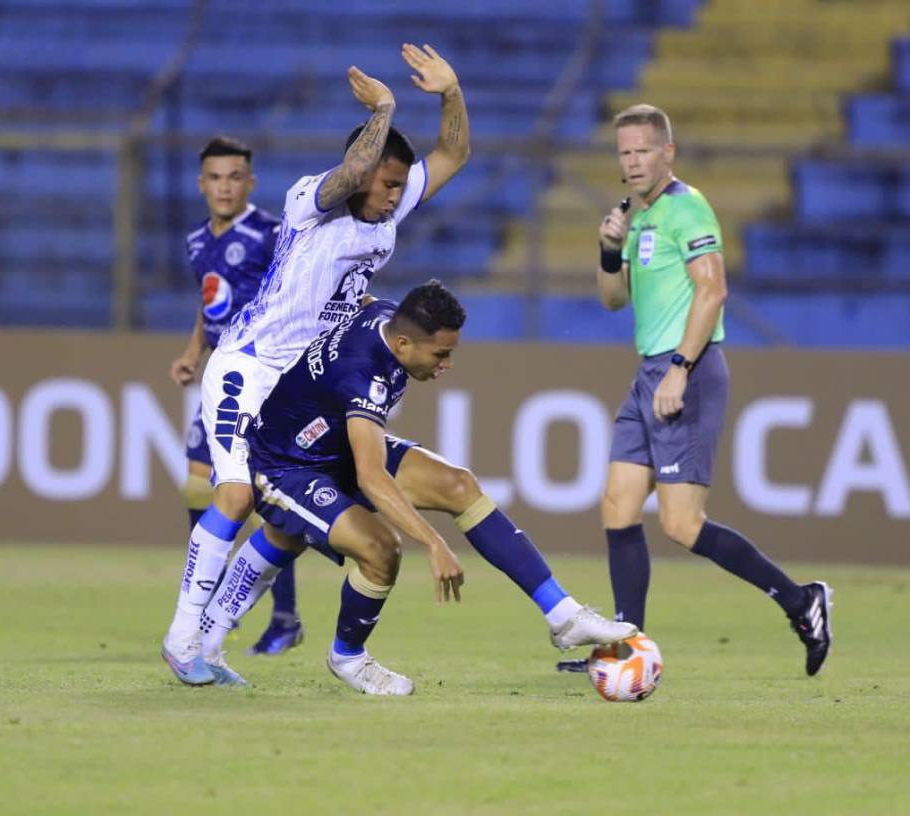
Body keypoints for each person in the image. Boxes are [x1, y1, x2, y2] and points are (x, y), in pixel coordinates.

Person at [161, 44, 472, 686]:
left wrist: (451, 92)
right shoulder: (312, 201)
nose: (394, 197)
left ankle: (212, 642)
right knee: (236, 494)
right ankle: (182, 637)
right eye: (387, 185)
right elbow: (355, 170)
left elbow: (453, 154)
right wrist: (384, 109)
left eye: (399, 187)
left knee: (289, 525)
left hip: (300, 386)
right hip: (249, 366)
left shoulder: (387, 209)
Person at [196, 281, 637, 693]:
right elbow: (372, 477)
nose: (446, 365)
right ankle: (348, 657)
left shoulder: (387, 317)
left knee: (458, 486)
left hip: (332, 444)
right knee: (379, 548)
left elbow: (360, 300)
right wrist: (433, 543)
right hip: (285, 465)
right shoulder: (363, 375)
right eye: (440, 354)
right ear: (404, 344)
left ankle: (564, 616)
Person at [559, 104, 833, 676]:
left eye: (643, 150)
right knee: (617, 506)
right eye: (624, 153)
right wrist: (608, 251)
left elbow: (713, 291)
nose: (633, 162)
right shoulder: (639, 216)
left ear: (668, 152)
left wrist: (681, 368)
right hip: (650, 373)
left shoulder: (687, 208)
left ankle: (800, 601)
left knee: (681, 524)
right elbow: (613, 299)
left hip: (688, 371)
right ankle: (627, 646)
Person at [168, 136, 304, 657]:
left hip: (262, 380)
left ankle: (283, 618)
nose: (225, 187)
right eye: (215, 177)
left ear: (250, 182)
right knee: (196, 486)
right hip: (220, 379)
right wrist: (192, 352)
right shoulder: (196, 241)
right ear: (201, 184)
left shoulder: (270, 235)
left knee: (262, 500)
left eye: (234, 177)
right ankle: (205, 602)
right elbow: (209, 302)